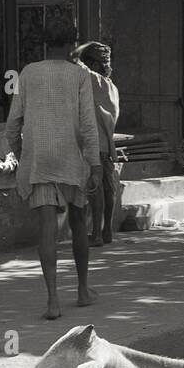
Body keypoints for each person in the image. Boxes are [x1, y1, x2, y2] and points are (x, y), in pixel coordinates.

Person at [7, 14, 104, 319]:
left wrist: (20, 150)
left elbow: (14, 122)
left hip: (39, 157)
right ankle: (83, 289)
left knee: (47, 229)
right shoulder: (79, 76)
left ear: (46, 43)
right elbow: (89, 125)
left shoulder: (28, 73)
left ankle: (52, 301)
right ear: (72, 45)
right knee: (78, 223)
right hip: (70, 157)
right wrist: (95, 163)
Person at [74, 41, 120, 245]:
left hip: (94, 142)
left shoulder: (94, 81)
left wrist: (86, 45)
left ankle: (97, 234)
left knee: (95, 188)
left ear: (93, 65)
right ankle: (107, 230)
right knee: (108, 187)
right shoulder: (112, 88)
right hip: (107, 143)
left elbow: (72, 60)